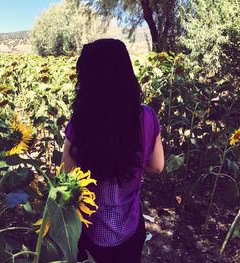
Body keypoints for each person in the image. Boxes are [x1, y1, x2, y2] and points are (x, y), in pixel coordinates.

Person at [61, 38, 164, 263]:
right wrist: (133, 158)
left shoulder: (80, 121)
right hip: (129, 226)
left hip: (88, 229)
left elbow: (67, 175)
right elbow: (157, 166)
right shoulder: (146, 116)